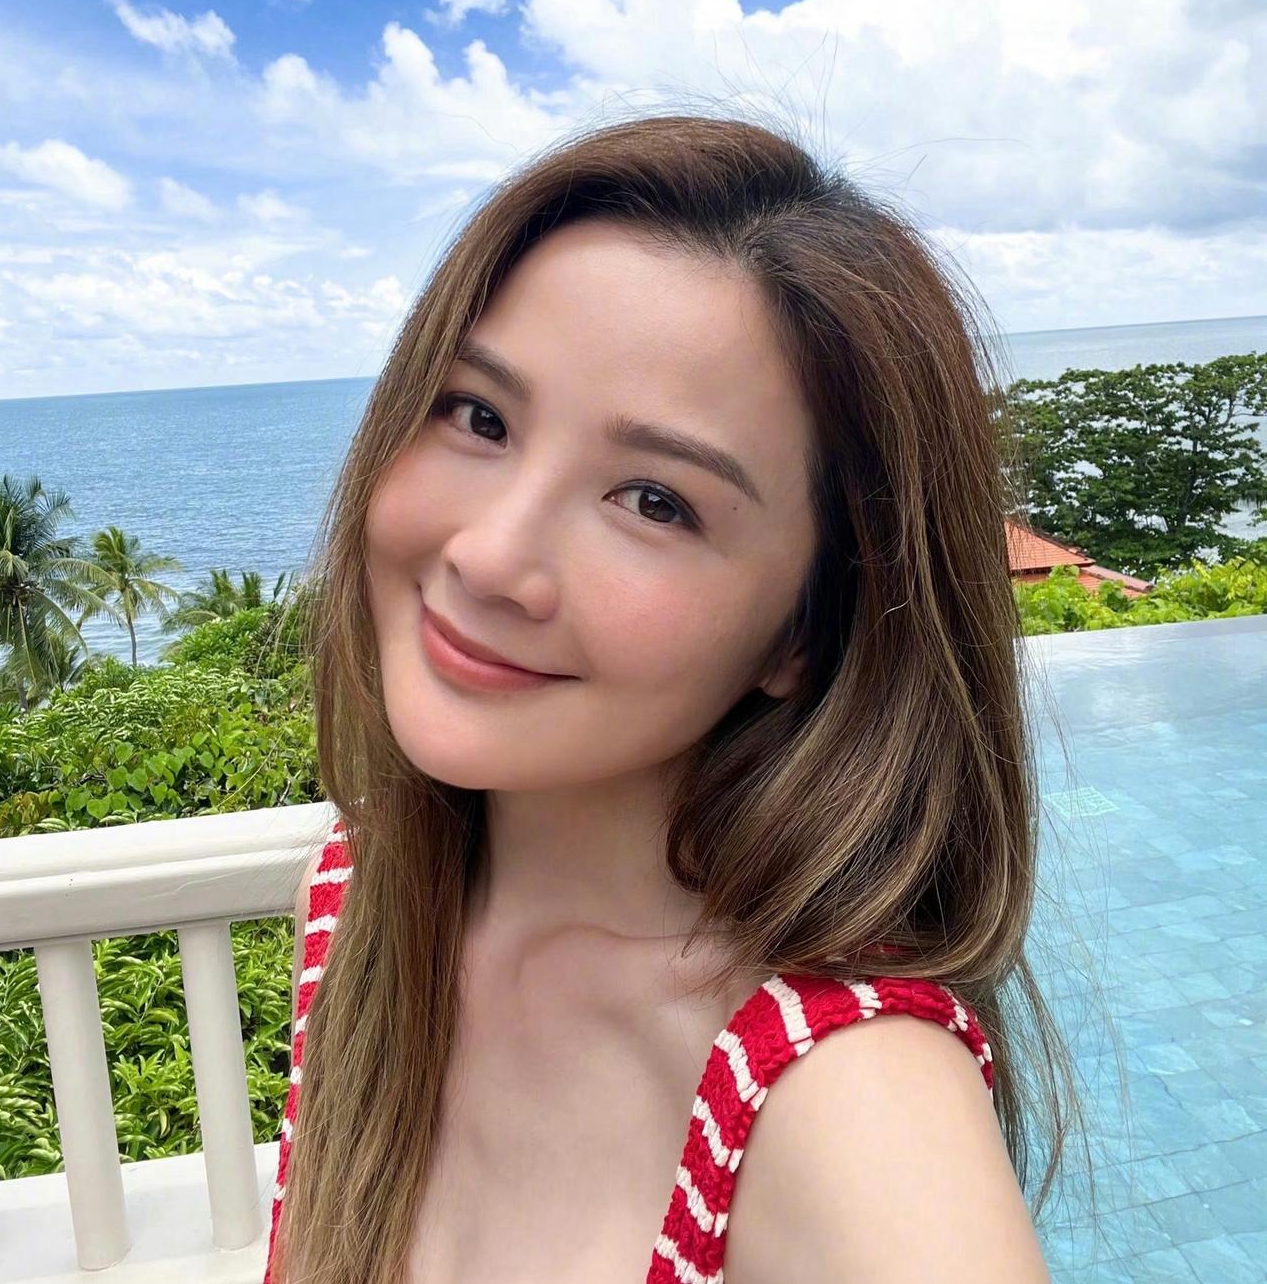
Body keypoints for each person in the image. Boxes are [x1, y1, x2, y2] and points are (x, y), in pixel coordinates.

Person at [264, 111, 1090, 1282]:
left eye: (655, 500)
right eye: (479, 415)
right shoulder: (359, 900)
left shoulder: (845, 1108)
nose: (489, 556)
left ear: (804, 630)